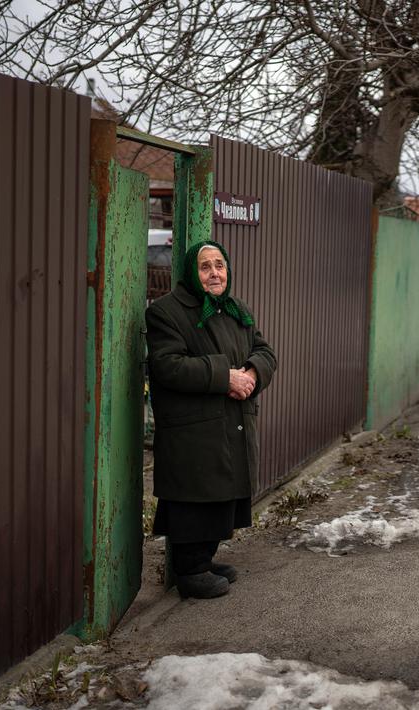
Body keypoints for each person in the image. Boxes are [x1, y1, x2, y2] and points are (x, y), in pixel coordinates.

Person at [145, 240, 278, 598]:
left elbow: (264, 350)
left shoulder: (236, 308)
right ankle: (189, 570)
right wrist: (225, 377)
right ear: (192, 272)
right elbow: (167, 365)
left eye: (220, 265)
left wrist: (251, 373)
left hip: (230, 420)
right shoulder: (167, 312)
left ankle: (204, 560)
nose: (215, 273)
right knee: (196, 496)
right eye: (205, 267)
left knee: (221, 496)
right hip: (194, 428)